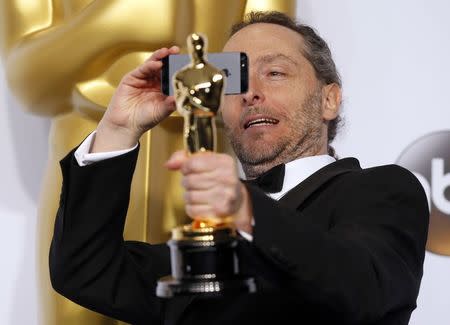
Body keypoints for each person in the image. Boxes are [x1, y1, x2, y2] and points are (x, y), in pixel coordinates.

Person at [49, 11, 429, 325]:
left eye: (275, 73)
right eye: (234, 80)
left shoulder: (382, 189)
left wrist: (246, 209)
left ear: (329, 99)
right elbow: (86, 270)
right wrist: (118, 128)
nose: (250, 92)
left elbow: (366, 290)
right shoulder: (202, 241)